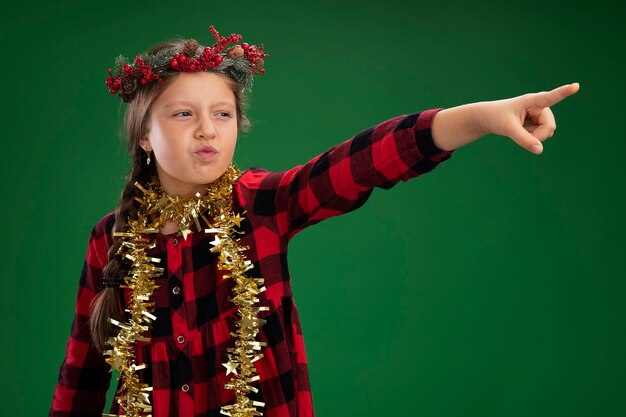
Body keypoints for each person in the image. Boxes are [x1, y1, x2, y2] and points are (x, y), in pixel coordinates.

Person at [49, 25, 580, 417]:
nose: (207, 130)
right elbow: (81, 373)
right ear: (144, 134)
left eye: (223, 113)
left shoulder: (260, 203)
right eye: (183, 113)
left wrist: (483, 117)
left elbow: (358, 165)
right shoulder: (111, 238)